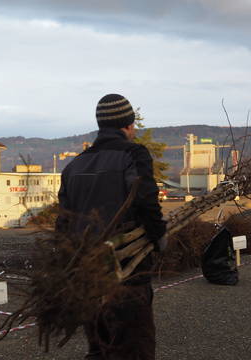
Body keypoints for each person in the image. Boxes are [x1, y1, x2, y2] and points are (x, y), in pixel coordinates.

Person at [55, 93, 167, 359]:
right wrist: (159, 236)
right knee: (133, 345)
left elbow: (63, 222)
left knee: (99, 346)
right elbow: (146, 201)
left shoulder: (74, 165)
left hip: (87, 272)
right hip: (127, 269)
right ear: (127, 126)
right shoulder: (133, 154)